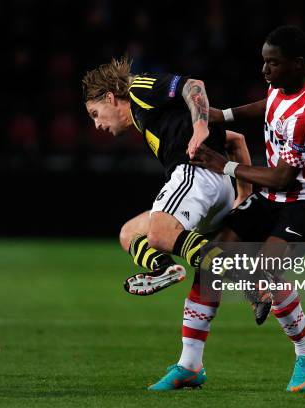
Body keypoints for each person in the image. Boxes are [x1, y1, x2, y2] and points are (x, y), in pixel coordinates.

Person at [82, 57, 253, 390]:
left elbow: (194, 86)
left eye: (94, 113)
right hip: (216, 187)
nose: (96, 124)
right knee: (131, 233)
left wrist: (201, 124)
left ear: (112, 98)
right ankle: (189, 362)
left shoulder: (138, 89)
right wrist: (242, 198)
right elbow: (236, 141)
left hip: (198, 176)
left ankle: (247, 276)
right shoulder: (156, 120)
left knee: (160, 233)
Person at [190, 25, 305, 393]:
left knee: (267, 268)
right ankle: (189, 363)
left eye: (272, 64)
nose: (265, 71)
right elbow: (269, 104)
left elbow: (284, 179)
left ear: (298, 63)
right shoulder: (286, 83)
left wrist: (223, 165)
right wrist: (221, 115)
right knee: (216, 256)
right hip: (277, 197)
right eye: (264, 62)